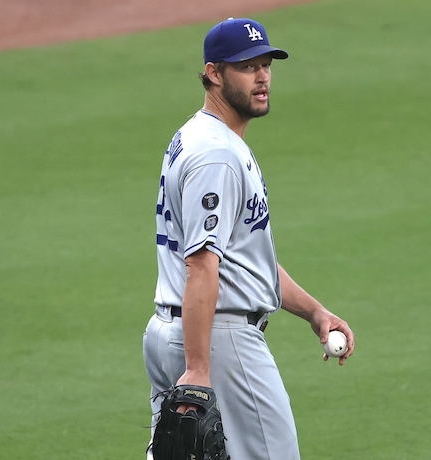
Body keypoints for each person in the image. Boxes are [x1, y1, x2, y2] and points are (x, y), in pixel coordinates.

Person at [142, 18, 355, 460]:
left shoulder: (196, 136)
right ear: (214, 73)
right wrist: (199, 368)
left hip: (176, 331)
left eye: (266, 65)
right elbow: (202, 264)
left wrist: (314, 312)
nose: (262, 77)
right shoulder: (217, 154)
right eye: (246, 67)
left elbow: (241, 256)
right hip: (219, 340)